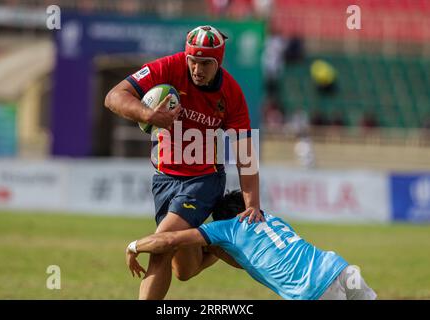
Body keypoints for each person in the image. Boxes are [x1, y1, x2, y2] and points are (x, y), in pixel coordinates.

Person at [105, 25, 262, 299]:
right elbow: (113, 97)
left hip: (204, 180)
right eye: (193, 61)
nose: (197, 69)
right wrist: (148, 115)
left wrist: (253, 206)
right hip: (163, 180)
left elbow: (245, 154)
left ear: (219, 62)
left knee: (160, 249)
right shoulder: (166, 68)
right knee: (184, 271)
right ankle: (213, 242)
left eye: (205, 63)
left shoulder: (232, 94)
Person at [126, 190, 377, 300]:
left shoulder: (227, 227)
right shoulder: (271, 218)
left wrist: (134, 246)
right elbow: (248, 260)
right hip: (340, 267)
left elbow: (169, 239)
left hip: (313, 290)